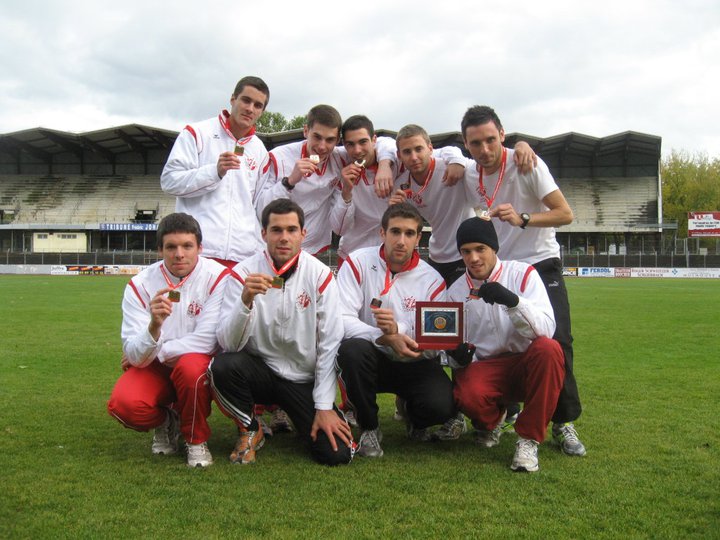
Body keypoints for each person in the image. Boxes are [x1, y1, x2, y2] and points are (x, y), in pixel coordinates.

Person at [461, 105, 586, 456]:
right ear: (465, 145)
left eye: (490, 140)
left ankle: (563, 422)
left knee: (555, 340)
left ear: (503, 135)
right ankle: (504, 407)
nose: (484, 150)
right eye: (475, 144)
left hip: (539, 262)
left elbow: (566, 213)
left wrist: (524, 218)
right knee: (497, 338)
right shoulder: (470, 174)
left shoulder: (526, 163)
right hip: (501, 267)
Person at [208, 199, 353, 465]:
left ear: (303, 234)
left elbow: (330, 343)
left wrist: (322, 407)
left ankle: (301, 417)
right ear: (263, 233)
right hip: (261, 373)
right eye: (276, 230)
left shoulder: (320, 276)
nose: (284, 238)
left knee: (336, 455)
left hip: (302, 380)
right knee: (223, 366)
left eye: (291, 230)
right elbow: (228, 343)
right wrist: (245, 303)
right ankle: (251, 428)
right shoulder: (243, 274)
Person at [107, 213, 231, 467]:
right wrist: (153, 327)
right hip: (156, 366)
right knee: (125, 405)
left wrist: (155, 350)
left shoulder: (218, 277)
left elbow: (206, 341)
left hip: (194, 363)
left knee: (191, 368)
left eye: (187, 246)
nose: (179, 254)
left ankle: (196, 441)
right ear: (159, 250)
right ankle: (166, 421)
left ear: (200, 247)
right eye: (171, 247)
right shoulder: (139, 285)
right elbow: (132, 349)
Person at [336, 203, 457, 458]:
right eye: (395, 232)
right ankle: (370, 426)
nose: (401, 241)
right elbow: (341, 318)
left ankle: (413, 413)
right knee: (351, 351)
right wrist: (384, 337)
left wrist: (402, 333)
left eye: (409, 233)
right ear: (382, 233)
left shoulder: (433, 280)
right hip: (372, 358)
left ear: (418, 238)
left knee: (441, 406)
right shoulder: (357, 262)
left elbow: (436, 339)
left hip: (413, 361)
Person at [447, 217, 565, 472]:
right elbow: (453, 351)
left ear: (494, 249)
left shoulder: (523, 274)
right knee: (467, 394)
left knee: (549, 349)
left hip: (526, 363)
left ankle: (528, 440)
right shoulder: (456, 291)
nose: (474, 258)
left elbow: (546, 329)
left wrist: (513, 302)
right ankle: (492, 421)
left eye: (480, 249)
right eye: (466, 251)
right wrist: (457, 356)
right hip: (488, 367)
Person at [389, 125, 537, 287]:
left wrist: (521, 146)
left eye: (419, 149)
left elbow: (489, 164)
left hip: (464, 253)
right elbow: (408, 223)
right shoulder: (401, 184)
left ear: (430, 148)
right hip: (436, 255)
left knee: (466, 307)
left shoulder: (454, 167)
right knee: (435, 309)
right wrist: (397, 209)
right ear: (399, 155)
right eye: (407, 152)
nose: (414, 157)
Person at [256, 105, 396, 256]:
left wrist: (384, 164)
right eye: (317, 137)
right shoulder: (279, 157)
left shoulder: (340, 157)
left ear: (337, 141)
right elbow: (260, 209)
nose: (322, 147)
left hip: (312, 248)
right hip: (274, 246)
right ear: (306, 131)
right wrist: (288, 182)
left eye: (330, 140)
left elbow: (383, 142)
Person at [160, 76, 270, 266]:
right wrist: (214, 172)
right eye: (246, 100)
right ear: (233, 99)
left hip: (242, 256)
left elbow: (258, 205)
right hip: (201, 252)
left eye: (258, 105)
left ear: (262, 111)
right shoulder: (197, 133)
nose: (250, 108)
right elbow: (169, 181)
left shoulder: (260, 150)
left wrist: (259, 250)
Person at [336, 115, 468, 266]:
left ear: (374, 140)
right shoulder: (340, 167)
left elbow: (435, 152)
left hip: (392, 255)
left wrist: (456, 159)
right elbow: (339, 228)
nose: (357, 150)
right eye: (350, 144)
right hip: (353, 254)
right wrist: (346, 192)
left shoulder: (399, 162)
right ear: (344, 145)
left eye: (363, 142)